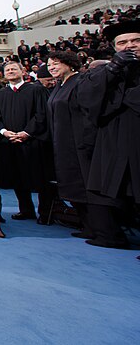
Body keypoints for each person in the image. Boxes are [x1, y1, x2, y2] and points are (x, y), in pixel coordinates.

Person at [75, 20, 140, 248]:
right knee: (110, 188)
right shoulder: (108, 71)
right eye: (122, 42)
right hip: (113, 137)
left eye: (135, 40)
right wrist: (113, 69)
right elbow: (85, 98)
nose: (129, 46)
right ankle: (110, 234)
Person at [0, 60, 52, 223]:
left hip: (33, 141)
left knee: (41, 178)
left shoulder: (37, 90)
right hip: (9, 143)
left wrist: (27, 132)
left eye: (14, 68)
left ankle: (45, 213)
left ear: (23, 71)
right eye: (7, 69)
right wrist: (5, 132)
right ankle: (26, 210)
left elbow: (42, 115)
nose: (10, 71)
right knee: (18, 177)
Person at [46, 50, 94, 238]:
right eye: (49, 65)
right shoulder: (59, 86)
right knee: (72, 186)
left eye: (56, 63)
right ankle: (88, 226)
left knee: (85, 185)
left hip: (80, 144)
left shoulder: (81, 81)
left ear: (69, 63)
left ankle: (99, 229)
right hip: (62, 143)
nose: (52, 68)